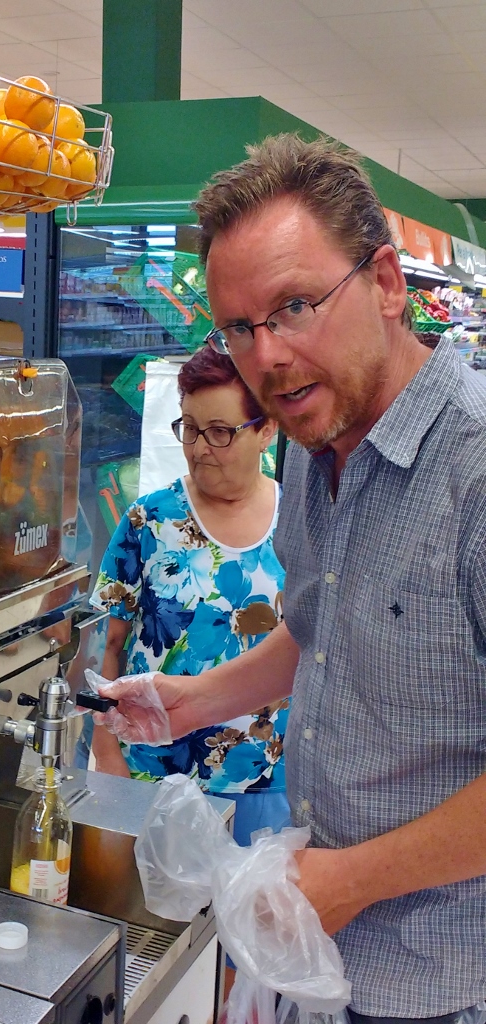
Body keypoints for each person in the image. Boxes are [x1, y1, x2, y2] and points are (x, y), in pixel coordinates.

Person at [94, 134, 486, 1023]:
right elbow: (321, 626)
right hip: (327, 962)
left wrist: (350, 879)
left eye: (294, 306)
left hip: (450, 983)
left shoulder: (475, 475)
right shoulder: (316, 443)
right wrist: (196, 700)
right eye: (238, 327)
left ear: (386, 283)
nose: (265, 358)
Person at [91, 346, 288, 852]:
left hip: (262, 777)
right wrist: (105, 752)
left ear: (267, 428)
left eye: (221, 432)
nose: (200, 448)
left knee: (247, 923)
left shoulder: (302, 526)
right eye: (191, 428)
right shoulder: (149, 521)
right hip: (153, 772)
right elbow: (106, 644)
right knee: (154, 922)